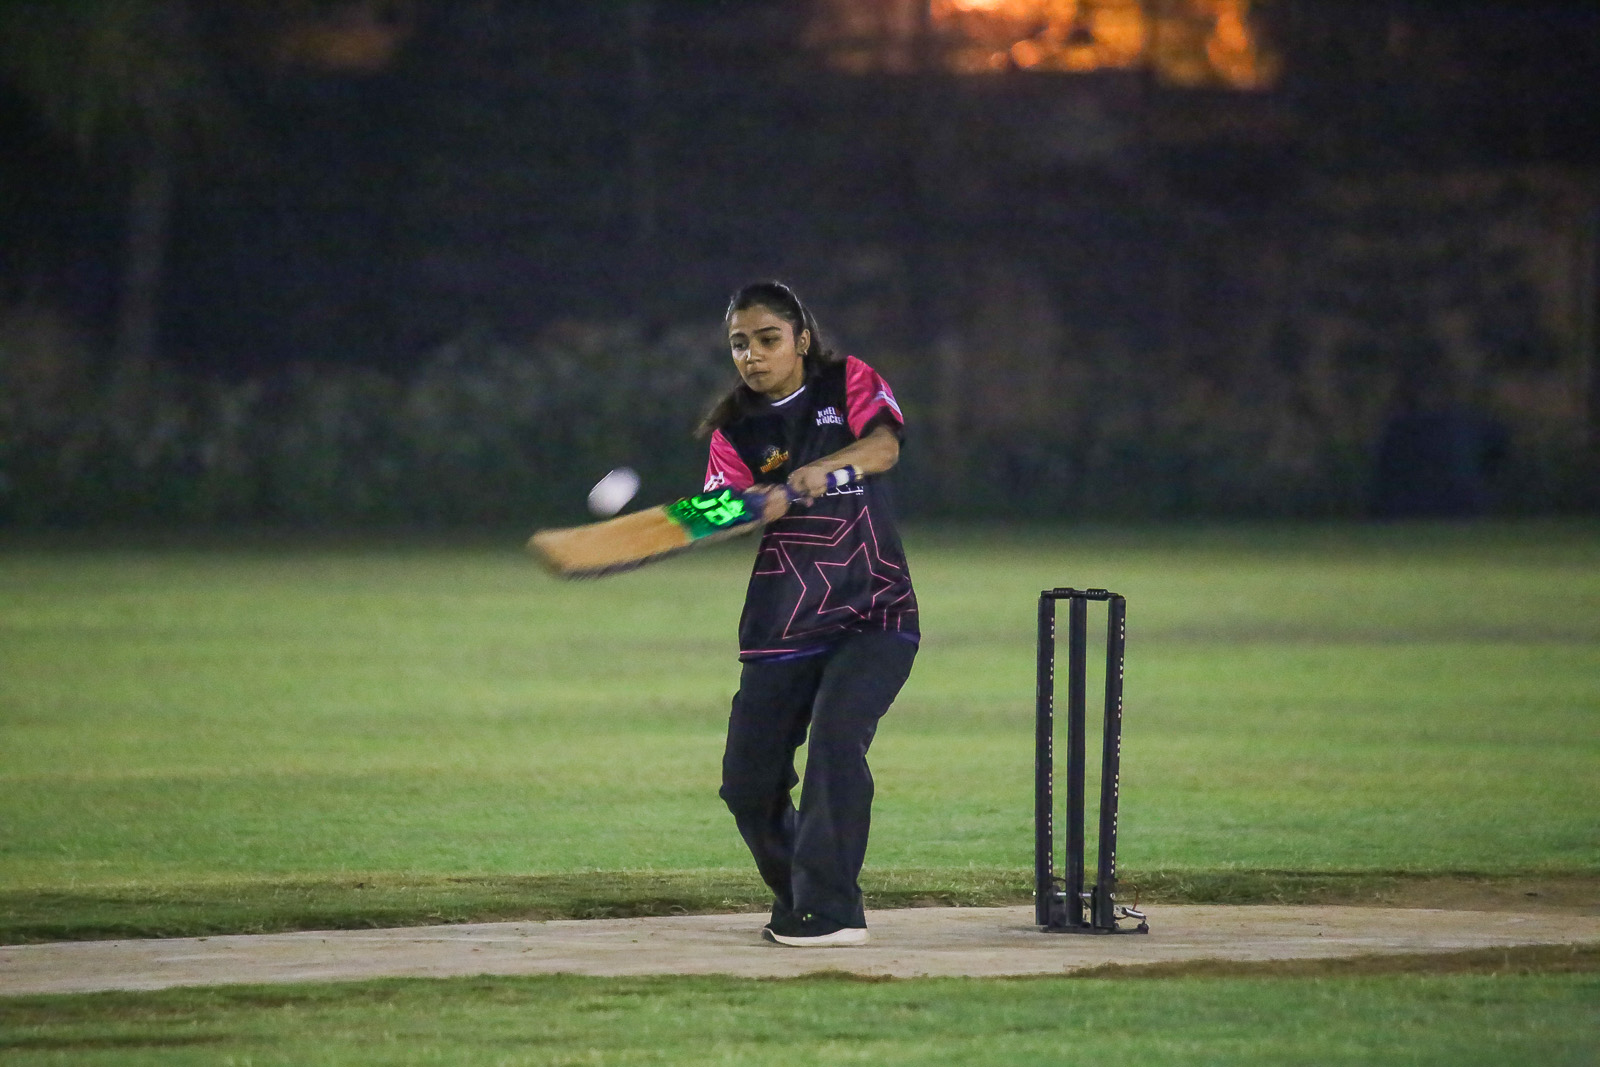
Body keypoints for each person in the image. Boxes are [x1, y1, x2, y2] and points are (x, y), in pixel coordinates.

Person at [699, 281, 919, 947]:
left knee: (835, 742)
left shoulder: (845, 381)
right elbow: (719, 511)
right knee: (747, 785)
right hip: (782, 626)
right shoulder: (735, 428)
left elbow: (883, 448)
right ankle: (802, 896)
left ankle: (831, 910)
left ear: (800, 338)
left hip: (874, 612)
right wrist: (749, 506)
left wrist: (825, 470)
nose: (753, 355)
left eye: (768, 339)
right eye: (740, 344)